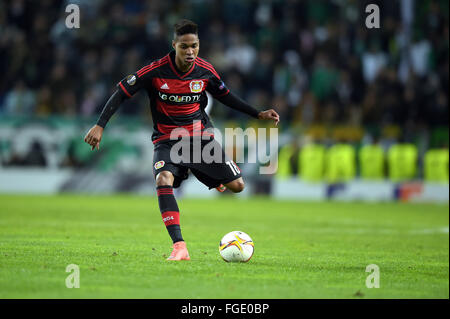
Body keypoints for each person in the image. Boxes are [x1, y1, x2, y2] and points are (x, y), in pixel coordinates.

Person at [84, 19, 280, 261]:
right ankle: (179, 246)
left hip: (199, 138)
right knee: (162, 179)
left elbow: (226, 96)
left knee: (238, 186)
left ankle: (209, 176)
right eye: (184, 47)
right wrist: (100, 125)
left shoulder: (206, 70)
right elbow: (122, 92)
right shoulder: (155, 71)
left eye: (194, 46)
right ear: (174, 45)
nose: (190, 52)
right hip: (167, 140)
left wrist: (257, 113)